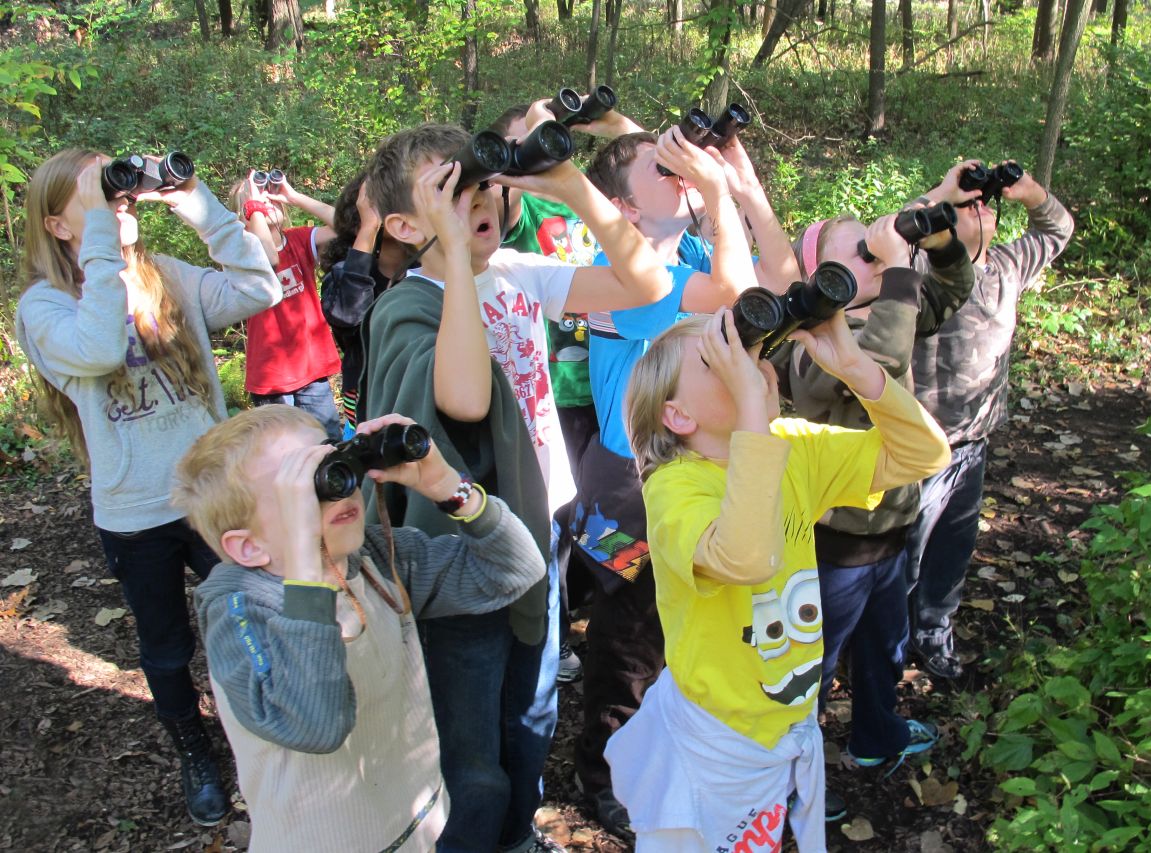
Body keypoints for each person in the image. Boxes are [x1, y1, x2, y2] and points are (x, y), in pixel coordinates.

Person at [359, 116, 673, 853]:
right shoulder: (405, 306)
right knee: (473, 737)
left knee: (530, 713)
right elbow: (463, 399)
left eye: (479, 180)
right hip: (461, 561)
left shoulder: (516, 271)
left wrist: (572, 188)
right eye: (448, 188)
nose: (477, 195)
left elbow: (647, 282)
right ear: (406, 222)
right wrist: (456, 260)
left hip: (539, 528)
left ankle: (516, 835)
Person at [607, 309, 951, 851]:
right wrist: (751, 408)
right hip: (714, 742)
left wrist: (856, 367)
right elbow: (746, 559)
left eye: (747, 352)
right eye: (718, 361)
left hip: (781, 727)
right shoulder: (676, 489)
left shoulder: (790, 446)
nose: (746, 365)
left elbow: (923, 454)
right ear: (678, 416)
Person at [15, 149, 282, 825]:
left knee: (250, 617)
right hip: (136, 513)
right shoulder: (43, 308)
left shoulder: (164, 276)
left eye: (122, 193)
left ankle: (262, 733)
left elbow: (260, 289)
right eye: (99, 198)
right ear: (57, 225)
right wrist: (106, 248)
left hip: (209, 495)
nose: (120, 204)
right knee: (166, 645)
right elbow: (101, 346)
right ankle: (194, 747)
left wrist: (201, 205)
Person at [173, 405, 545, 852]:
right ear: (248, 547)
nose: (337, 492)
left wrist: (449, 487)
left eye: (332, 465)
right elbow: (315, 726)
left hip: (419, 824)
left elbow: (516, 570)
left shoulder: (373, 560)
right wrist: (307, 569)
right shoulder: (242, 611)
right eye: (301, 491)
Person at [568, 124, 797, 840]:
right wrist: (717, 194)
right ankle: (600, 772)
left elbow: (777, 291)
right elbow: (732, 291)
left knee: (684, 629)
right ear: (623, 209)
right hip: (623, 489)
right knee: (630, 635)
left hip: (690, 468)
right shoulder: (618, 275)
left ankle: (664, 751)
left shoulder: (691, 251)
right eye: (658, 170)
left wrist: (743, 191)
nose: (678, 176)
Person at [771, 207, 973, 821]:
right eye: (857, 253)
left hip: (891, 531)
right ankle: (784, 783)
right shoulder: (805, 340)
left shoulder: (887, 311)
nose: (873, 260)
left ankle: (875, 736)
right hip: (832, 545)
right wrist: (895, 270)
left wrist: (937, 245)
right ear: (818, 270)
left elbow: (950, 292)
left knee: (885, 648)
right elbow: (875, 368)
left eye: (872, 251)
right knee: (810, 666)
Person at [489, 100, 644, 685]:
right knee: (556, 515)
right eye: (527, 144)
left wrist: (612, 127)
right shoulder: (524, 213)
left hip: (603, 396)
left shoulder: (599, 206)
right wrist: (527, 138)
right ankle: (553, 634)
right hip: (550, 395)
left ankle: (611, 596)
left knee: (599, 512)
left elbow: (644, 170)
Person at [904, 160, 1075, 680]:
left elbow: (1058, 228)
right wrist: (941, 190)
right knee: (904, 556)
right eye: (966, 206)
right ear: (944, 223)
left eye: (985, 203)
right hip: (917, 447)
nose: (980, 209)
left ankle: (934, 634)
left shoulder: (1008, 265)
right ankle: (885, 646)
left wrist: (1026, 191)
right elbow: (886, 236)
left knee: (953, 552)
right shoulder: (918, 272)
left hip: (973, 442)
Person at [228, 172, 343, 439]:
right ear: (244, 214)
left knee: (328, 445)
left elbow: (346, 227)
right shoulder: (242, 255)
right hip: (272, 380)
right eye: (255, 200)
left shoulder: (299, 240)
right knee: (286, 453)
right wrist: (254, 208)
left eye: (268, 197)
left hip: (312, 370)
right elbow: (268, 260)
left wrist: (294, 196)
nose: (265, 202)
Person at [319, 169, 410, 437]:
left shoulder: (426, 267)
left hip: (413, 393)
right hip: (366, 405)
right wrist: (369, 227)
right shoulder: (344, 273)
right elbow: (350, 316)